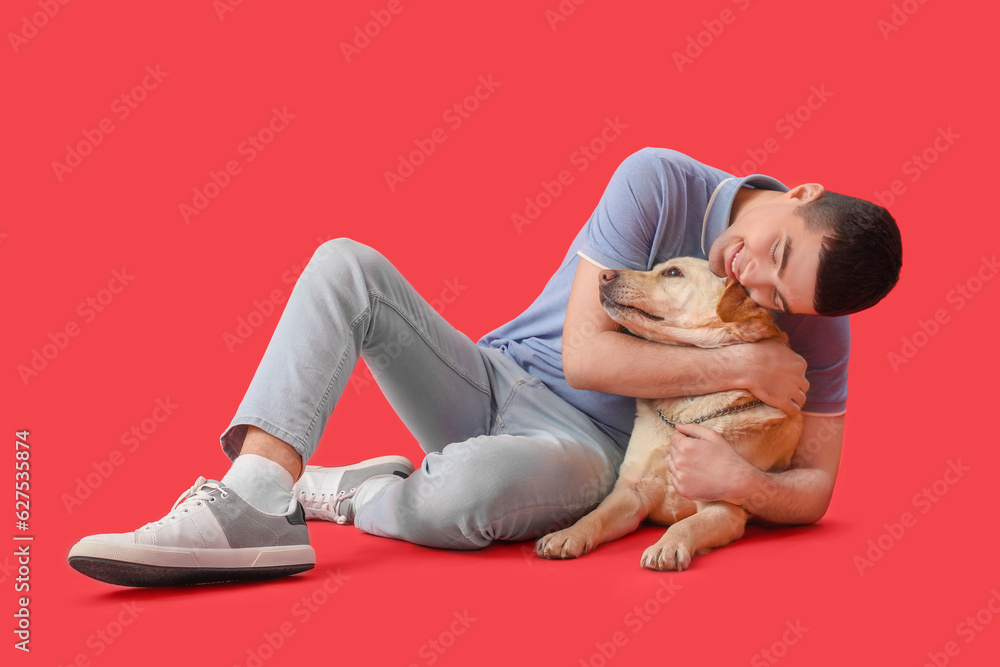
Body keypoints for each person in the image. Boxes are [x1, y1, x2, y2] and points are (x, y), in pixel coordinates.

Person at [68, 147, 902, 587]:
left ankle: (349, 492)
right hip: (492, 373)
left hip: (585, 454)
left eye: (778, 300)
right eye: (774, 252)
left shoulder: (815, 322)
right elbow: (581, 355)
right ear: (799, 190)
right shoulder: (659, 180)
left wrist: (743, 482)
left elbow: (816, 489)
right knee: (343, 263)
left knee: (463, 500)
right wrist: (746, 361)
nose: (754, 280)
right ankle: (253, 496)